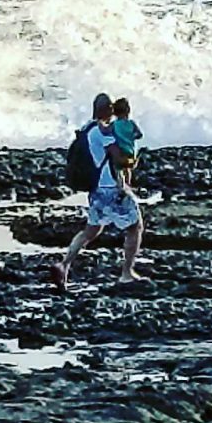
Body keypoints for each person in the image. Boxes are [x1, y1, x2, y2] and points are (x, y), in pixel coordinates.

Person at [51, 93, 146, 291]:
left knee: (91, 230)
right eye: (110, 107)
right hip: (110, 188)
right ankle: (127, 273)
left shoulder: (88, 128)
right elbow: (119, 159)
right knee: (135, 227)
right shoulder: (104, 133)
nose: (113, 110)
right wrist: (133, 161)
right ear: (105, 109)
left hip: (96, 189)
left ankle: (64, 264)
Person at [111, 96, 143, 190]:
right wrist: (132, 136)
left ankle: (121, 186)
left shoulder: (114, 124)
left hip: (120, 152)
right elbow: (140, 135)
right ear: (128, 111)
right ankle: (128, 185)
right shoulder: (131, 123)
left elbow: (109, 135)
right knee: (128, 169)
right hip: (130, 152)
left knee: (119, 169)